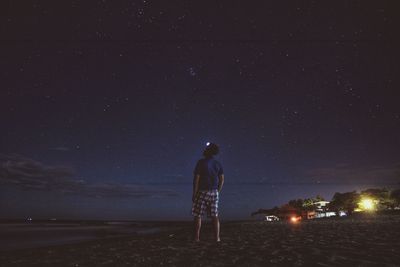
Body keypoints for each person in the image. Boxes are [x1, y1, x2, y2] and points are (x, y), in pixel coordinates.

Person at [191, 142, 224, 242]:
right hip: (214, 192)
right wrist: (218, 191)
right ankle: (217, 238)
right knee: (215, 215)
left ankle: (197, 238)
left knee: (198, 215)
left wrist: (194, 192)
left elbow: (196, 179)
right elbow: (222, 179)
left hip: (202, 191)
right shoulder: (218, 164)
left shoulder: (201, 162)